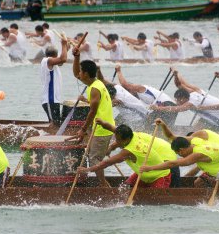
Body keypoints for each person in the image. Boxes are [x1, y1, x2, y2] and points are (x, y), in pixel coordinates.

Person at [140, 118, 219, 189]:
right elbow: (172, 137)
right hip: (218, 165)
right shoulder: (195, 139)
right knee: (198, 183)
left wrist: (150, 168)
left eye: (179, 154)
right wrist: (162, 124)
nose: (180, 156)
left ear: (181, 150)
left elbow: (174, 164)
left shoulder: (199, 153)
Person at [77, 120, 173, 188]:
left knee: (155, 198)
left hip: (160, 176)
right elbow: (112, 128)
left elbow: (106, 163)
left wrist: (88, 170)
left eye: (118, 140)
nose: (117, 142)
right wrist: (102, 123)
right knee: (125, 188)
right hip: (143, 173)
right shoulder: (133, 135)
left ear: (126, 139)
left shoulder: (129, 151)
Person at [72, 50, 115, 187]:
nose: (78, 74)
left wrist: (83, 129)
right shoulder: (95, 83)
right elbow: (75, 73)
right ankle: (94, 181)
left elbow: (92, 111)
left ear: (85, 74)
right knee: (91, 155)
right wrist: (77, 57)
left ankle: (104, 186)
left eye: (81, 72)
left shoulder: (95, 88)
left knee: (94, 159)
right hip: (99, 127)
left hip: (102, 128)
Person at [150, 70, 219, 132]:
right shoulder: (194, 91)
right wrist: (176, 74)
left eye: (178, 101)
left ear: (183, 98)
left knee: (195, 132)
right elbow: (179, 84)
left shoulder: (191, 102)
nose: (177, 103)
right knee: (194, 129)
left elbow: (175, 109)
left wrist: (158, 108)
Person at [40, 37, 68, 125]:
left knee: (56, 123)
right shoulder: (47, 61)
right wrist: (63, 44)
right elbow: (63, 59)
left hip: (54, 100)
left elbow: (61, 61)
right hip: (49, 99)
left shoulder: (52, 63)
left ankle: (54, 137)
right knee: (54, 124)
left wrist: (66, 47)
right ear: (55, 56)